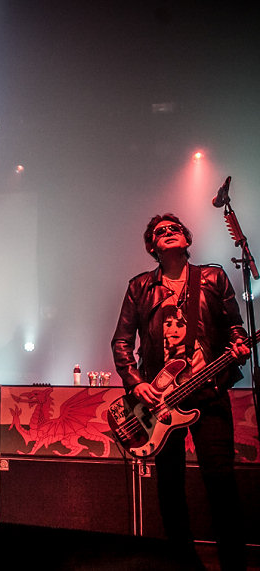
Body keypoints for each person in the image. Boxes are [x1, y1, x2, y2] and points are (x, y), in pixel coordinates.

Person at [111, 214, 250, 570]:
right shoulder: (140, 287)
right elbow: (122, 341)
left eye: (176, 229)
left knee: (220, 480)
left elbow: (235, 326)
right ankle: (184, 564)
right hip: (161, 400)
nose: (170, 232)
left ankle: (233, 564)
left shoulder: (213, 277)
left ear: (186, 239)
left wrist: (239, 345)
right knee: (170, 486)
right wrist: (137, 381)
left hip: (209, 391)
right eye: (161, 231)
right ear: (152, 247)